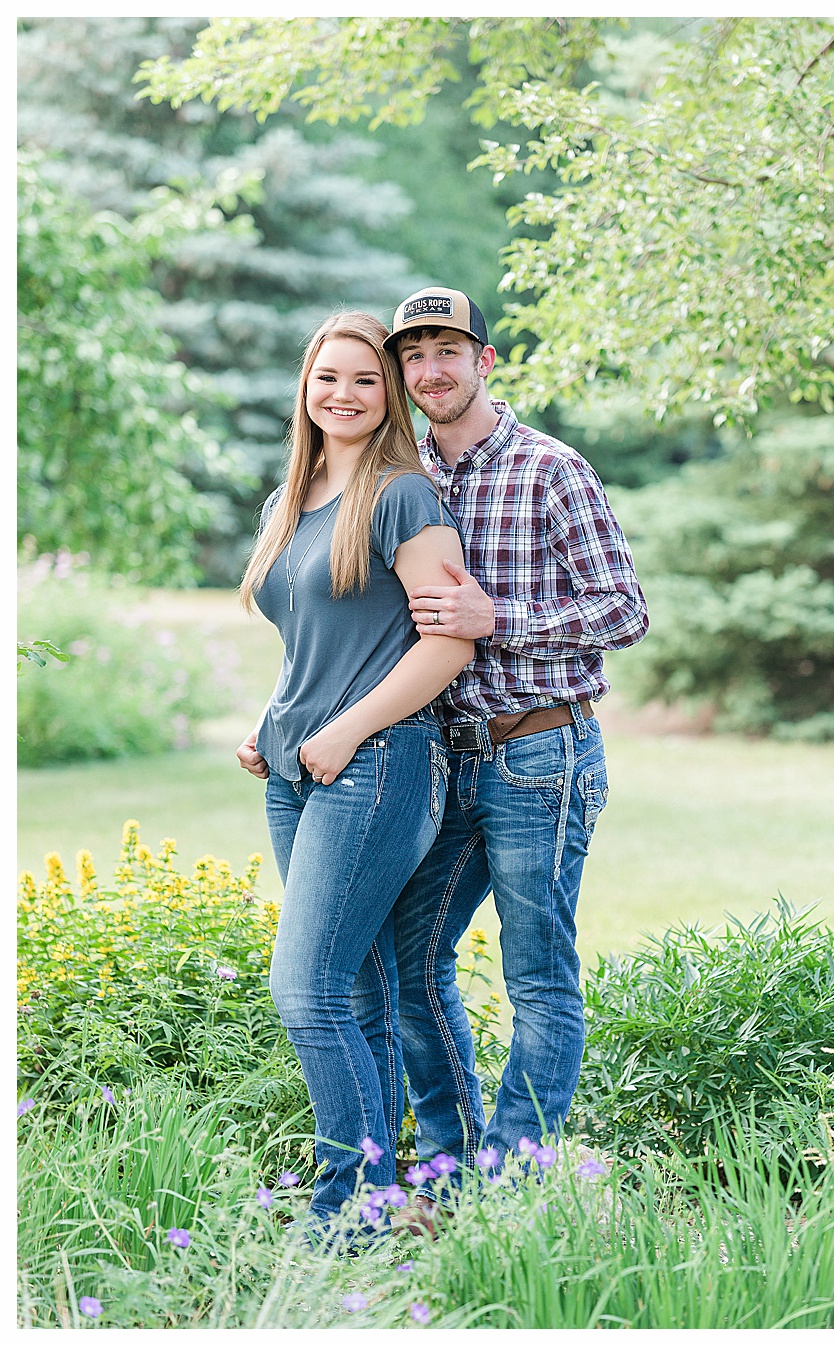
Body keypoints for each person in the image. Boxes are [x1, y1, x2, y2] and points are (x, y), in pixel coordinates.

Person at [371, 287, 649, 1175]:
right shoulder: (408, 476)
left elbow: (624, 609)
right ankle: (452, 1169)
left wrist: (502, 617)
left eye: (448, 351)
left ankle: (512, 1175)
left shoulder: (548, 467)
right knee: (409, 958)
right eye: (414, 357)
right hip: (444, 762)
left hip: (541, 753)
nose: (431, 371)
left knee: (537, 975)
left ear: (485, 361)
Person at [235, 310, 473, 1228]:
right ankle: (383, 1202)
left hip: (376, 767)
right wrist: (277, 722)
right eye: (328, 377)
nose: (344, 394)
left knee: (305, 988)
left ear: (390, 395)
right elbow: (318, 642)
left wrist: (342, 731)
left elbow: (446, 645)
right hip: (296, 774)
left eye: (367, 379)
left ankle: (346, 1210)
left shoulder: (404, 496)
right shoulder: (289, 502)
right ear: (306, 386)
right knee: (356, 986)